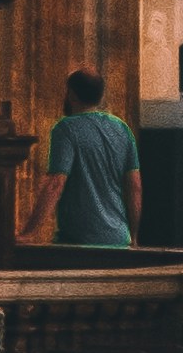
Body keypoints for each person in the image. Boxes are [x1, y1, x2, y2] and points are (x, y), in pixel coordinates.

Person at [47, 66, 136, 250]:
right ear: (100, 96)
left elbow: (55, 183)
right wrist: (133, 236)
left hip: (79, 241)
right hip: (119, 240)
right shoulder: (122, 128)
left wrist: (30, 232)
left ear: (71, 94)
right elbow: (135, 187)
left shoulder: (66, 128)